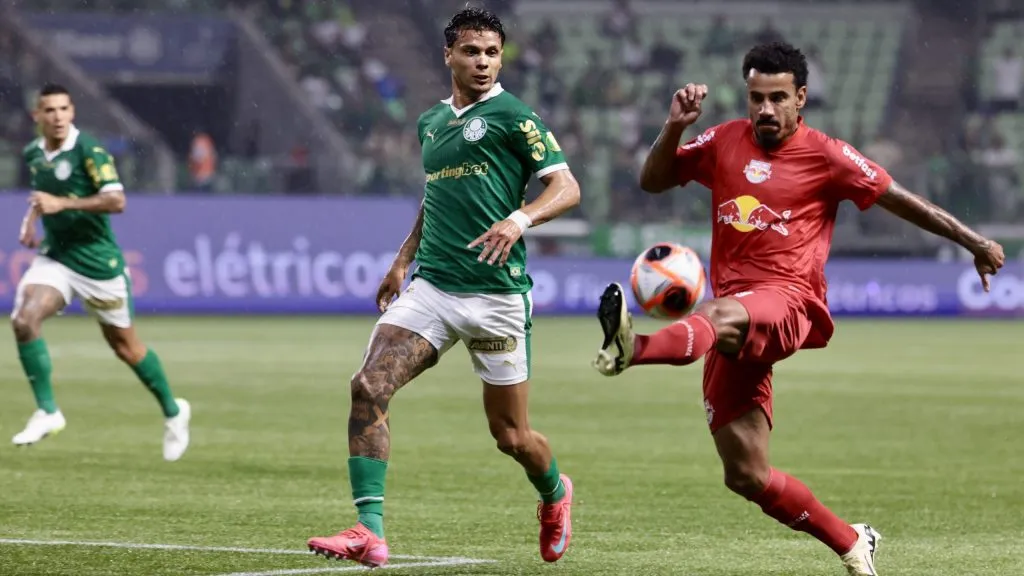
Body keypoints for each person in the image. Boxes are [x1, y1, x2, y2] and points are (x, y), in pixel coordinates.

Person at [592, 42, 1005, 576]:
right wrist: (674, 125)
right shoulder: (723, 140)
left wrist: (973, 241)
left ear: (801, 97)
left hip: (789, 302)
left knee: (716, 315)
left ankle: (633, 348)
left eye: (778, 98)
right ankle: (853, 542)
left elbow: (898, 197)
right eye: (756, 97)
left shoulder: (828, 154)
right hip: (735, 318)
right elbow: (654, 180)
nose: (765, 108)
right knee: (746, 473)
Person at [307, 8, 581, 568]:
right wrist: (402, 258)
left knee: (511, 436)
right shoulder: (431, 121)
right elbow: (435, 196)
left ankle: (555, 495)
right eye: (471, 51)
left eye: (491, 53)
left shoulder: (513, 116)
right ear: (448, 55)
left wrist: (520, 220)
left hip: (496, 296)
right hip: (433, 287)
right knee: (367, 386)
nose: (482, 62)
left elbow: (566, 186)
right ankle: (369, 529)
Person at [11, 83, 191, 462]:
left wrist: (61, 203)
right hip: (57, 257)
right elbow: (43, 195)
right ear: (37, 117)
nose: (58, 116)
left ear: (72, 112)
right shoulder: (33, 153)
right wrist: (31, 220)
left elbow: (116, 199)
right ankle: (48, 411)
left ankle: (174, 412)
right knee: (25, 320)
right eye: (50, 110)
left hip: (98, 265)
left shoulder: (89, 149)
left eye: (64, 109)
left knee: (126, 348)